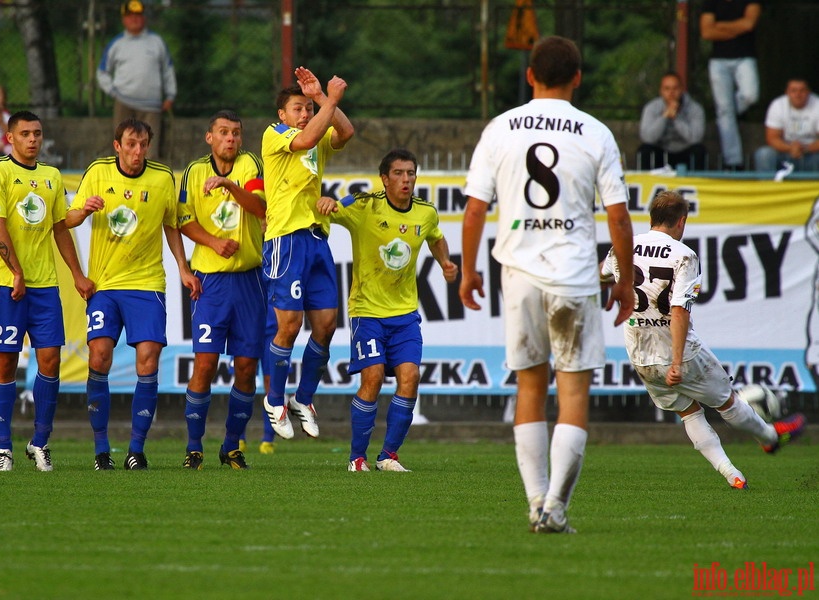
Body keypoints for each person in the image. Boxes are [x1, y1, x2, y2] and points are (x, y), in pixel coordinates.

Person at [459, 36, 635, 534]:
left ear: (530, 75)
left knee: (530, 386)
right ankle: (556, 505)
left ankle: (537, 501)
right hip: (575, 276)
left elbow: (475, 209)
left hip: (518, 275)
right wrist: (622, 279)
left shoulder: (501, 128)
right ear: (578, 78)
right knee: (574, 391)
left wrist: (469, 270)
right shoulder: (595, 133)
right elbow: (619, 218)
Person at [601, 190, 807, 488]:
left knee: (688, 411)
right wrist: (676, 361)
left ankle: (731, 474)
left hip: (640, 354)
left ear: (652, 218)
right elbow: (678, 310)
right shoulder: (683, 255)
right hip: (679, 354)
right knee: (727, 402)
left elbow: (603, 274)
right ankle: (771, 438)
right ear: (681, 222)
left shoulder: (623, 247)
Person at [66, 118, 200, 471]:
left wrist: (183, 269)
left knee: (149, 360)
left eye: (143, 145)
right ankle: (100, 450)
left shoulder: (161, 177)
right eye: (131, 144)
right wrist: (83, 210)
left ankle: (136, 451)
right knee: (99, 357)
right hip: (105, 285)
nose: (138, 151)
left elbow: (172, 224)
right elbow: (68, 220)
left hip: (146, 284)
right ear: (117, 146)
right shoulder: (97, 172)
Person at [317, 148, 458, 472]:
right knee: (374, 376)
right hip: (367, 311)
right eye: (399, 173)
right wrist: (325, 204)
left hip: (405, 314)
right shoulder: (365, 206)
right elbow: (330, 211)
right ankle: (357, 457)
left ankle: (388, 456)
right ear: (384, 178)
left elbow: (435, 237)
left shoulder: (425, 213)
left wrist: (445, 262)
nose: (406, 179)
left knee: (410, 377)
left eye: (410, 173)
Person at [0, 110, 94, 471]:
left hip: (44, 284)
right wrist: (16, 272)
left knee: (50, 361)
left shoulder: (51, 176)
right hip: (6, 283)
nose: (33, 139)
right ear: (10, 138)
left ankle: (39, 443)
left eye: (37, 133)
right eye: (25, 133)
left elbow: (61, 227)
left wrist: (77, 274)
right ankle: (3, 449)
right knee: (5, 362)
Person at [260, 66, 354, 440]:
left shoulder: (316, 137)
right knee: (289, 325)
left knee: (327, 325)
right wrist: (327, 99)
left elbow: (345, 132)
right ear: (282, 115)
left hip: (316, 239)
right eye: (297, 108)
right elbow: (306, 138)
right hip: (286, 238)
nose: (305, 114)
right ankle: (273, 400)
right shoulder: (274, 136)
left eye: (307, 109)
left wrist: (321, 99)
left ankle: (303, 399)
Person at [177, 110, 266, 470]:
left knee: (246, 366)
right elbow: (183, 219)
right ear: (209, 137)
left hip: (249, 279)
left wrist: (230, 186)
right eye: (224, 133)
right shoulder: (194, 171)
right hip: (211, 282)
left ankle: (231, 446)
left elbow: (259, 207)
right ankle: (194, 446)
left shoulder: (250, 164)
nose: (231, 139)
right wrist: (213, 242)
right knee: (205, 364)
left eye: (236, 133)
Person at [97, 1, 176, 161]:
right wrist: (113, 92)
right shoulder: (117, 44)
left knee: (150, 150)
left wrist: (170, 95)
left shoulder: (156, 42)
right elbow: (102, 72)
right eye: (130, 16)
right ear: (123, 19)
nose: (135, 20)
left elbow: (168, 69)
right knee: (123, 148)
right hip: (124, 103)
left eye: (138, 16)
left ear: (144, 18)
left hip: (151, 106)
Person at [700, 0, 761, 171]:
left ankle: (731, 114)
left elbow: (749, 24)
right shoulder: (710, 4)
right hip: (718, 61)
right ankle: (733, 161)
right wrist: (737, 28)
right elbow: (706, 32)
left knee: (750, 95)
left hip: (745, 57)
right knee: (724, 111)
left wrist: (719, 27)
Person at [637, 71, 707, 171]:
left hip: (685, 151)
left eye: (675, 88)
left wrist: (676, 118)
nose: (671, 93)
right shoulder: (651, 108)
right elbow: (647, 138)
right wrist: (664, 116)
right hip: (661, 152)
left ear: (682, 89)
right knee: (645, 150)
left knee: (699, 150)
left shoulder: (695, 109)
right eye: (667, 89)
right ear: (661, 91)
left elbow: (695, 138)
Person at [753, 78, 819, 173]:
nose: (798, 95)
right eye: (793, 91)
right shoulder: (777, 105)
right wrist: (791, 148)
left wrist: (805, 148)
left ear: (808, 92)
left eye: (802, 90)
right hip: (785, 153)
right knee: (764, 154)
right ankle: (768, 186)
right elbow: (772, 138)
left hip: (811, 154)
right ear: (787, 92)